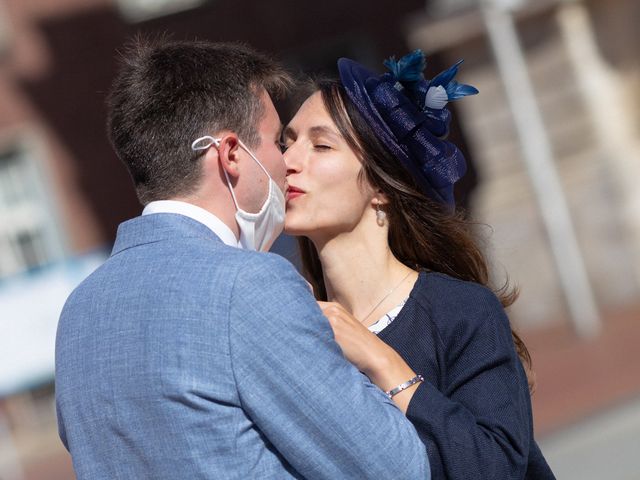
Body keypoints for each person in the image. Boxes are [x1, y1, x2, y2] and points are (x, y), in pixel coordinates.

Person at [54, 38, 431, 479]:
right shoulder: (248, 284)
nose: (286, 163)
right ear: (232, 154)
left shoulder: (80, 310)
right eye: (275, 141)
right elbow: (394, 467)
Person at [282, 50, 555, 479]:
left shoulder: (460, 312)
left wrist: (381, 361)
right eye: (286, 142)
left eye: (319, 145)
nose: (288, 162)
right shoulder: (293, 332)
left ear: (381, 186)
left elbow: (496, 466)